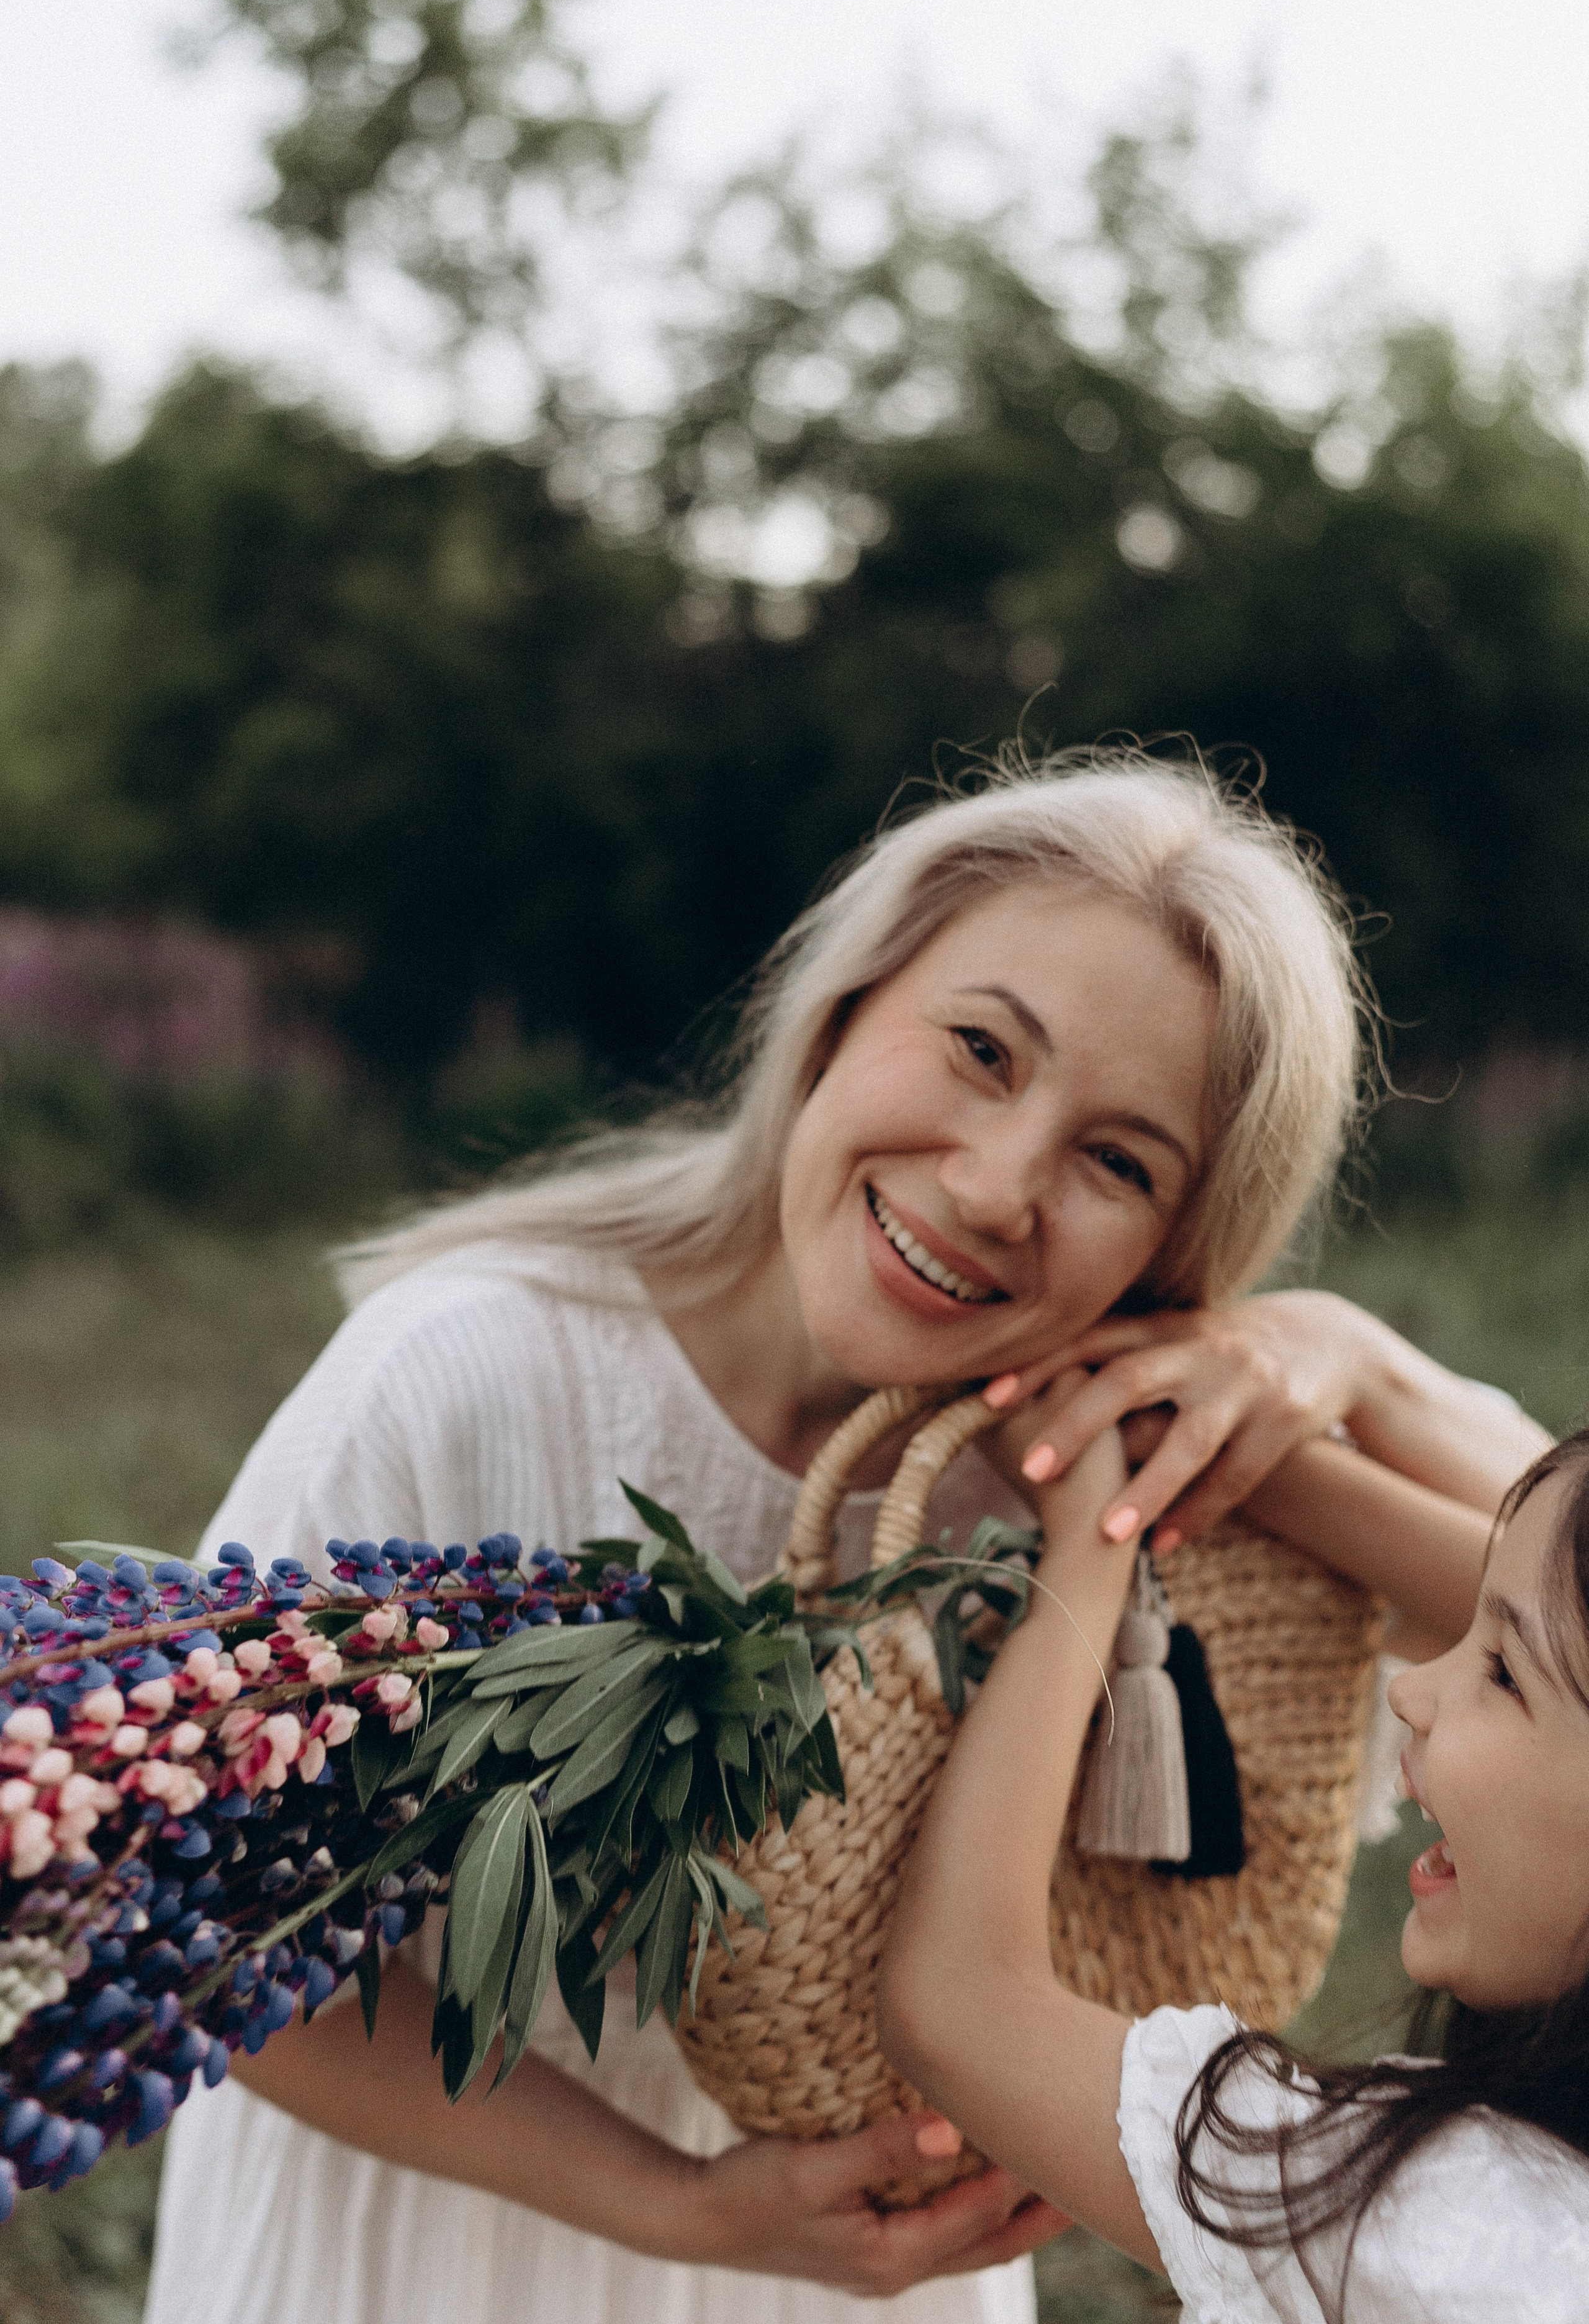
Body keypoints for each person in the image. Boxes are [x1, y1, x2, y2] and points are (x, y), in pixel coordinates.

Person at [144, 748, 1544, 2324]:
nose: (996, 1183)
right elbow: (206, 1945)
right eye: (978, 1048)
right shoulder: (466, 1373)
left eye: (1117, 1161)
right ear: (840, 1009)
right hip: (442, 2251)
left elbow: (1564, 1614)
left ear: (1178, 1247)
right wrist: (682, 2207)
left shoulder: (1086, 1470)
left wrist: (1350, 1361)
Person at [878, 1389, 1589, 2324]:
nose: (1414, 1686)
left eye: (1500, 1670)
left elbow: (958, 2003)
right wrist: (1243, 1444)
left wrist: (1091, 1555)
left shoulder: (1442, 2228)